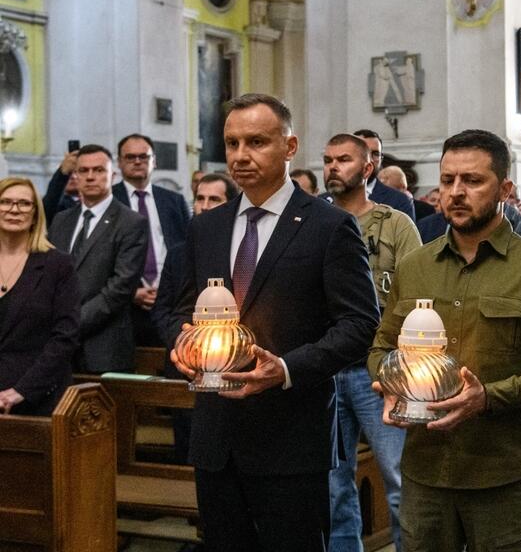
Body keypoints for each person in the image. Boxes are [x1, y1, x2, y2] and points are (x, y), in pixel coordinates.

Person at [170, 94, 380, 552]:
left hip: (291, 439)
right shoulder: (206, 227)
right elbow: (176, 309)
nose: (241, 156)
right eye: (231, 143)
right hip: (216, 438)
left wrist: (284, 369)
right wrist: (181, 346)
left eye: (256, 142)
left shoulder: (328, 226)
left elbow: (360, 324)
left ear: (289, 146)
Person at [369, 129, 521, 551]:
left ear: (505, 188)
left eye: (472, 181)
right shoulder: (416, 267)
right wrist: (391, 383)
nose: (455, 192)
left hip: (503, 477)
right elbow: (381, 350)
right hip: (425, 475)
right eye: (447, 180)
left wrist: (486, 397)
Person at [323, 133, 421, 551]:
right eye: (327, 160)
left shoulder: (395, 223)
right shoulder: (313, 222)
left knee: (399, 479)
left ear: (367, 169)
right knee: (333, 486)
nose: (332, 167)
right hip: (326, 370)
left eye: (343, 160)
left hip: (378, 371)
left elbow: (417, 294)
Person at [153, 172, 238, 464]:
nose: (204, 205)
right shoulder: (178, 253)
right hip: (185, 364)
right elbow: (164, 310)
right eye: (199, 199)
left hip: (232, 367)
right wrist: (185, 340)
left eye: (214, 199)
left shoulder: (240, 250)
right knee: (187, 449)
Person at [47, 144, 149, 373]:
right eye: (83, 171)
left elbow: (120, 288)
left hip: (103, 348)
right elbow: (48, 274)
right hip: (56, 351)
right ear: (76, 175)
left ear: (112, 175)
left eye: (99, 170)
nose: (91, 177)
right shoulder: (61, 220)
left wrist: (69, 323)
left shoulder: (131, 222)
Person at [0, 178, 80, 415]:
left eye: (24, 204)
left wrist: (23, 390)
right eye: (5, 202)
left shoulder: (57, 265)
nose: (14, 210)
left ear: (35, 214)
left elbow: (65, 336)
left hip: (36, 395)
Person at [112, 134, 191, 347]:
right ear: (119, 162)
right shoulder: (109, 201)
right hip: (124, 309)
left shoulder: (173, 200)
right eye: (130, 157)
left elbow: (187, 249)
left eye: (143, 157)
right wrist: (131, 292)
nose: (137, 162)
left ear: (154, 161)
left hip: (169, 305)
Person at [353, 129, 417, 220]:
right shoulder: (329, 200)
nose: (370, 159)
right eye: (364, 152)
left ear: (381, 159)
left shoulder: (399, 201)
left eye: (375, 154)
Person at [42, 150, 80, 223]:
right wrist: (63, 173)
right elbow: (50, 201)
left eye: (76, 172)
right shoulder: (57, 204)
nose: (73, 177)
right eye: (69, 173)